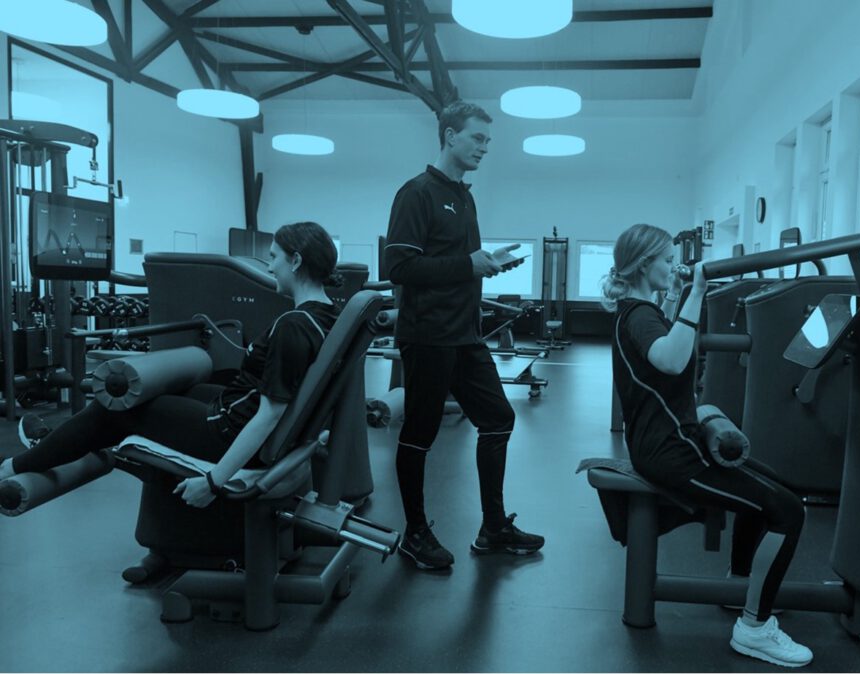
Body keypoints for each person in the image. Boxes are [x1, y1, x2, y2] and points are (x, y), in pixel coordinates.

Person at [1, 221, 341, 509]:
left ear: (296, 261)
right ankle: (60, 442)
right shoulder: (328, 316)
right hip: (235, 413)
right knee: (175, 389)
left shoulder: (293, 325)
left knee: (115, 409)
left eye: (274, 258)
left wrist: (214, 480)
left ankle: (18, 463)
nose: (269, 267)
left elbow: (270, 414)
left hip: (226, 432)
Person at [601, 223, 813, 668]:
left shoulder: (638, 309)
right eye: (666, 260)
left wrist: (679, 294)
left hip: (672, 441)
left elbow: (664, 341)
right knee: (788, 510)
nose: (673, 265)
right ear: (644, 264)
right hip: (672, 452)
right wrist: (697, 291)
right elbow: (670, 358)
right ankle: (754, 628)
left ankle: (741, 586)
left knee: (777, 490)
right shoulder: (638, 315)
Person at [383, 100, 544, 570]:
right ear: (450, 135)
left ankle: (493, 527)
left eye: (488, 140)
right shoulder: (416, 193)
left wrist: (486, 263)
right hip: (428, 335)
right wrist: (468, 264)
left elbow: (456, 266)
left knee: (498, 418)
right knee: (420, 433)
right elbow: (399, 267)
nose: (484, 148)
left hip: (465, 335)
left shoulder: (465, 197)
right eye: (477, 138)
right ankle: (415, 533)